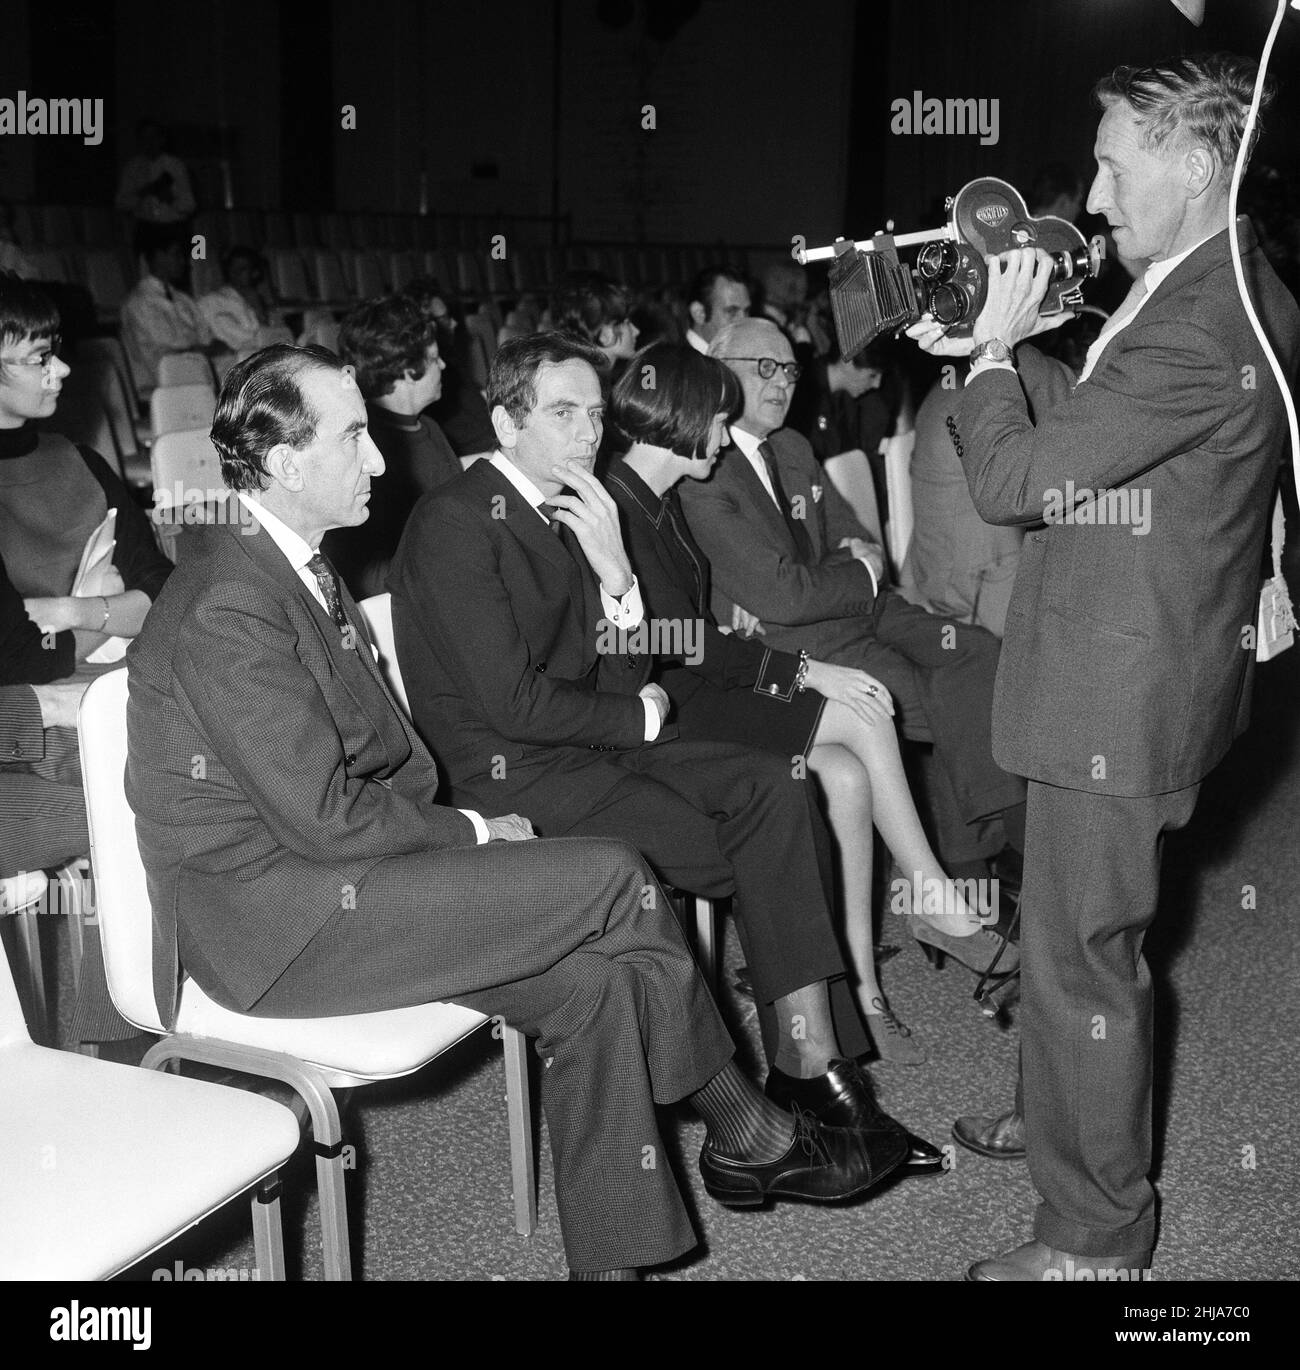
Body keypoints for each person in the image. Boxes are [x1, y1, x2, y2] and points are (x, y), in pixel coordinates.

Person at [126, 342, 909, 1281]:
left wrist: (460, 828)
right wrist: (470, 830)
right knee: (618, 876)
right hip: (278, 922)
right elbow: (325, 816)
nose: (381, 460)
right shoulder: (228, 601)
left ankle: (616, 1260)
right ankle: (746, 1124)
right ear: (287, 464)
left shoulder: (290, 562)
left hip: (353, 874)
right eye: (354, 439)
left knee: (601, 987)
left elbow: (376, 777)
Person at [907, 53, 1300, 1280]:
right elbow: (1108, 426)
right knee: (1070, 934)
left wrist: (980, 364)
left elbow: (1022, 483)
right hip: (1119, 663)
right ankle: (1066, 1109)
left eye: (1113, 165)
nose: (1089, 190)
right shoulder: (1211, 286)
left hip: (1114, 691)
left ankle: (1094, 1235)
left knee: (1087, 957)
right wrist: (1014, 339)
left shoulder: (1201, 320)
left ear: (1193, 168)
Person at [389, 332, 942, 1172]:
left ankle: (809, 1067)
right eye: (562, 413)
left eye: (596, 414)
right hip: (514, 775)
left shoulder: (577, 507)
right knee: (767, 848)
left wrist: (615, 579)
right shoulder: (457, 524)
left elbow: (628, 666)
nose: (586, 432)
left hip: (593, 746)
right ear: (506, 424)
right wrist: (640, 716)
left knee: (776, 792)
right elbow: (513, 706)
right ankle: (802, 1090)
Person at [604, 342, 1002, 1064]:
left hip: (711, 677)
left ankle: (865, 984)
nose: (726, 438)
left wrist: (744, 639)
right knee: (859, 707)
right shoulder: (624, 509)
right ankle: (932, 899)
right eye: (719, 422)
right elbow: (668, 644)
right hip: (672, 706)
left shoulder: (655, 499)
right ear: (687, 418)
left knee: (851, 769)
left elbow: (697, 623)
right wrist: (799, 671)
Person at [679, 318, 1027, 969]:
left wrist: (851, 572)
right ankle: (973, 871)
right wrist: (855, 570)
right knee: (919, 696)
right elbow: (781, 596)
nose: (782, 382)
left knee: (977, 653)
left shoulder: (793, 449)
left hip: (867, 609)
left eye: (790, 369)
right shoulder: (705, 473)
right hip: (803, 640)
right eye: (764, 367)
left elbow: (853, 534)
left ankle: (995, 855)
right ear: (719, 373)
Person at [0, 272, 173, 1054]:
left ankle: (127, 1033)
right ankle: (124, 1041)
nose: (61, 370)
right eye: (39, 356)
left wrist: (74, 612)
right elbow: (8, 648)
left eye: (57, 354)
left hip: (89, 698)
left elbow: (161, 597)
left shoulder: (80, 463)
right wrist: (102, 622)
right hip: (26, 732)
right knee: (133, 798)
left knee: (160, 771)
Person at [321, 293, 461, 597]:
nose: (444, 365)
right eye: (435, 357)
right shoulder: (363, 450)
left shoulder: (429, 428)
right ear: (409, 370)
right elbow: (367, 575)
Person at [120, 230, 221, 398]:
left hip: (195, 370)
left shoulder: (183, 299)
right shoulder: (138, 302)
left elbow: (206, 336)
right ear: (159, 257)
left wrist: (211, 347)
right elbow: (162, 352)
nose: (183, 261)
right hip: (163, 383)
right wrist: (201, 351)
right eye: (176, 255)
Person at [197, 246, 294, 360]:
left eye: (243, 268)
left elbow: (276, 336)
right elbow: (238, 341)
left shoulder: (255, 300)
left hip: (261, 358)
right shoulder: (212, 301)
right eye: (233, 268)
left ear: (255, 273)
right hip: (234, 361)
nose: (236, 273)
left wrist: (258, 307)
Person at [115, 118, 196, 247]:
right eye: (144, 138)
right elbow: (121, 203)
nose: (149, 142)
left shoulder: (175, 166)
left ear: (162, 139)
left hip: (173, 228)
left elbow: (189, 205)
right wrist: (141, 194)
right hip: (145, 228)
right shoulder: (133, 167)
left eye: (153, 137)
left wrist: (170, 198)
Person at [685, 266, 750, 354]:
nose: (744, 322)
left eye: (746, 311)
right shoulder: (673, 364)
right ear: (699, 313)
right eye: (731, 312)